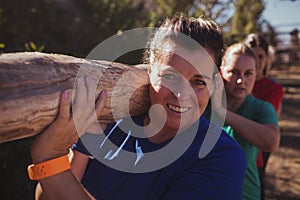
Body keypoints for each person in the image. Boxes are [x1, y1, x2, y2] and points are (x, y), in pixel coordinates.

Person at [28, 14, 247, 200]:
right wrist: (76, 150)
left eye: (199, 82)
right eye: (170, 76)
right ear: (150, 71)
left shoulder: (221, 156)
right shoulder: (109, 122)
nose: (181, 95)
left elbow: (55, 179)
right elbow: (45, 195)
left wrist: (50, 158)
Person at [215, 42, 281, 200]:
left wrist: (223, 114)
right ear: (221, 72)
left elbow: (271, 142)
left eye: (248, 73)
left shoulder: (261, 108)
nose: (240, 80)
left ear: (256, 73)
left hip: (245, 194)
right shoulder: (204, 103)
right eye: (234, 72)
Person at [243, 33, 284, 199]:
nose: (257, 61)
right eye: (252, 55)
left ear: (267, 58)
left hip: (257, 152)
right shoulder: (233, 82)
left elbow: (263, 125)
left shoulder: (272, 88)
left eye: (261, 56)